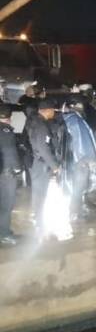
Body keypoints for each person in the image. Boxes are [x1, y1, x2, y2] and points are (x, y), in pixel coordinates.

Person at [63, 95, 96, 220]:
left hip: (73, 159)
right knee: (78, 187)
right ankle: (74, 212)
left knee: (78, 186)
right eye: (80, 104)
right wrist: (87, 158)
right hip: (80, 161)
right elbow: (81, 141)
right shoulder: (75, 120)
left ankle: (76, 210)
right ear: (74, 105)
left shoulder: (69, 118)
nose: (82, 106)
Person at [26, 98, 60, 228]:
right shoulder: (41, 125)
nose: (54, 113)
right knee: (40, 192)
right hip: (41, 164)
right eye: (53, 110)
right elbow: (43, 148)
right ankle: (39, 220)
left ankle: (37, 217)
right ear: (47, 110)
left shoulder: (35, 121)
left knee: (38, 191)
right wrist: (54, 166)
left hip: (38, 162)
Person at [0, 104, 21, 245]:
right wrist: (17, 168)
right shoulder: (6, 131)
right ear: (9, 117)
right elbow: (10, 152)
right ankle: (4, 234)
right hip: (6, 173)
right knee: (6, 204)